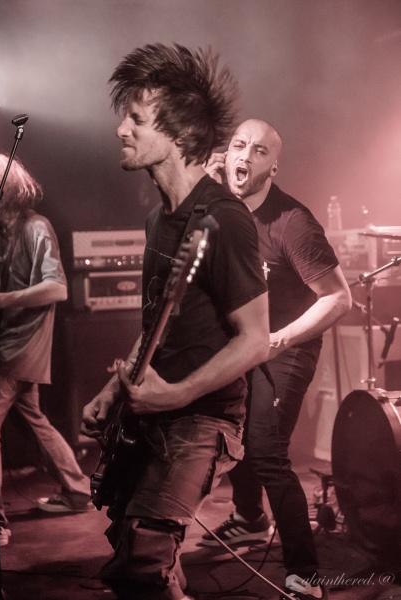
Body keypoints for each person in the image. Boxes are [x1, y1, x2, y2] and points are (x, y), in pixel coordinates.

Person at [81, 44, 270, 600]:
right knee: (137, 557)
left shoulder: (225, 221)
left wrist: (178, 393)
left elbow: (255, 340)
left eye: (137, 119)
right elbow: (160, 321)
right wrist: (114, 389)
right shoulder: (158, 220)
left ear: (180, 132)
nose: (121, 129)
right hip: (153, 416)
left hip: (203, 419)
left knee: (145, 558)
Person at [201, 119, 352, 600]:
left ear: (273, 167)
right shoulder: (220, 209)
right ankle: (250, 519)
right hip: (244, 341)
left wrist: (280, 339)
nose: (246, 155)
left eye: (259, 151)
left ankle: (305, 573)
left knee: (267, 450)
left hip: (288, 346)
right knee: (232, 428)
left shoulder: (293, 222)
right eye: (238, 146)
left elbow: (339, 298)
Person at [0, 154, 92, 553]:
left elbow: (57, 288)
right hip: (3, 342)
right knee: (32, 418)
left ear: (3, 189)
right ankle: (78, 489)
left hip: (24, 346)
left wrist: (1, 300)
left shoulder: (36, 227)